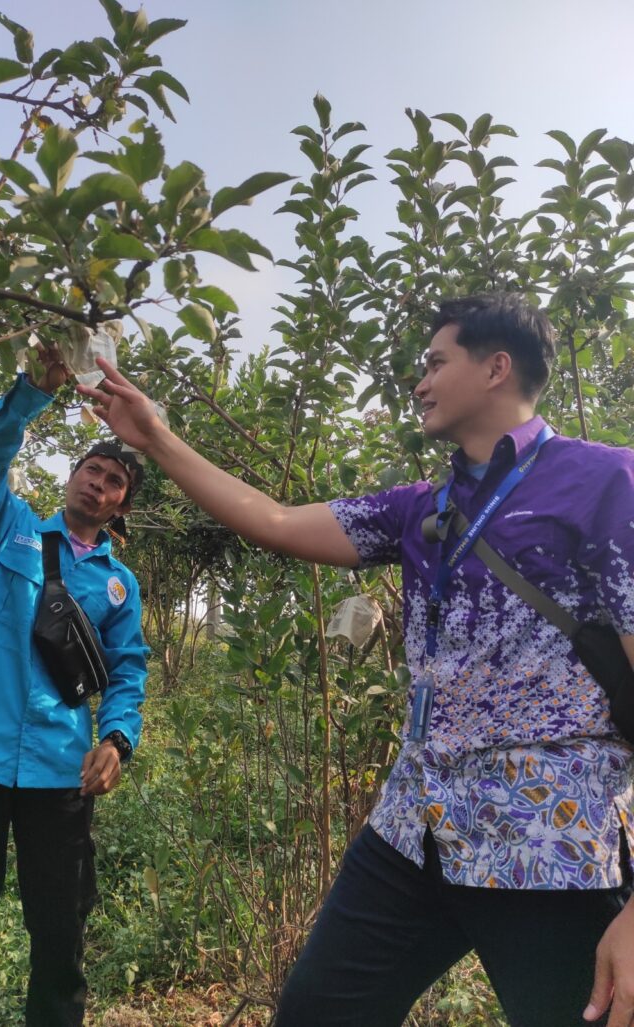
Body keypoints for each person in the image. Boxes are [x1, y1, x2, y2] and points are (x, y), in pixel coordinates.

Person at [79, 293, 634, 1027]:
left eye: (436, 362)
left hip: (548, 839)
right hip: (413, 828)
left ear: (497, 367)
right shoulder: (420, 508)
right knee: (316, 1011)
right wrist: (155, 437)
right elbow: (274, 520)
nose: (419, 381)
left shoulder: (605, 481)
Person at [0, 349, 148, 1027]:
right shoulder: (7, 530)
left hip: (59, 769)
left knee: (60, 928)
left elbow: (128, 666)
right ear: (72, 476)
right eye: (92, 471)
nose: (98, 485)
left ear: (120, 506)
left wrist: (117, 733)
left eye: (113, 483)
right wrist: (28, 396)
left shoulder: (118, 585)